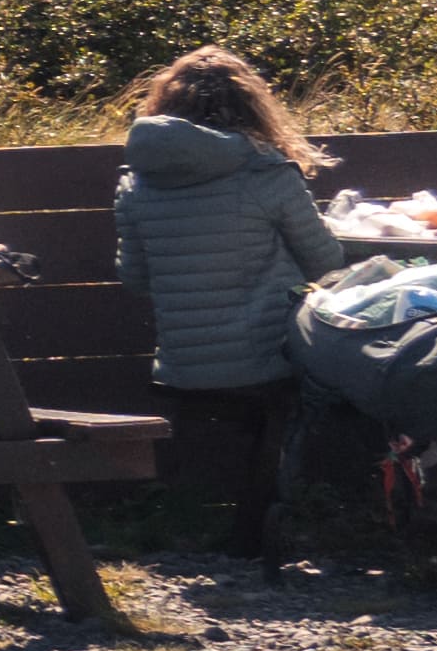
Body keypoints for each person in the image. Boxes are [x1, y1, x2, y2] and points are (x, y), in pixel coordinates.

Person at [114, 44, 350, 560]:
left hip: (182, 364)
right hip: (268, 359)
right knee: (342, 371)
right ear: (252, 107)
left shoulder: (136, 185)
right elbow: (326, 264)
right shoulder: (267, 174)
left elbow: (132, 278)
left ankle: (216, 524)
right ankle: (330, 517)